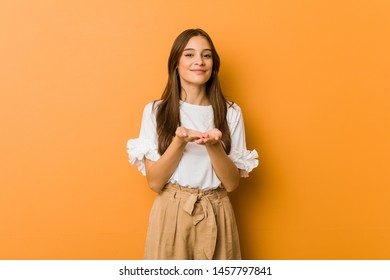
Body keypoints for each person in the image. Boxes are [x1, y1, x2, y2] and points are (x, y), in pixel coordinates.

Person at [127, 28, 258, 260]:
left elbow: (232, 183)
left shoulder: (231, 113)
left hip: (217, 210)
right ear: (176, 63)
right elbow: (155, 182)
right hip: (171, 211)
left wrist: (213, 145)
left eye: (206, 55)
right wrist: (179, 141)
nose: (199, 61)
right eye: (189, 54)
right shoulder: (156, 111)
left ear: (214, 65)